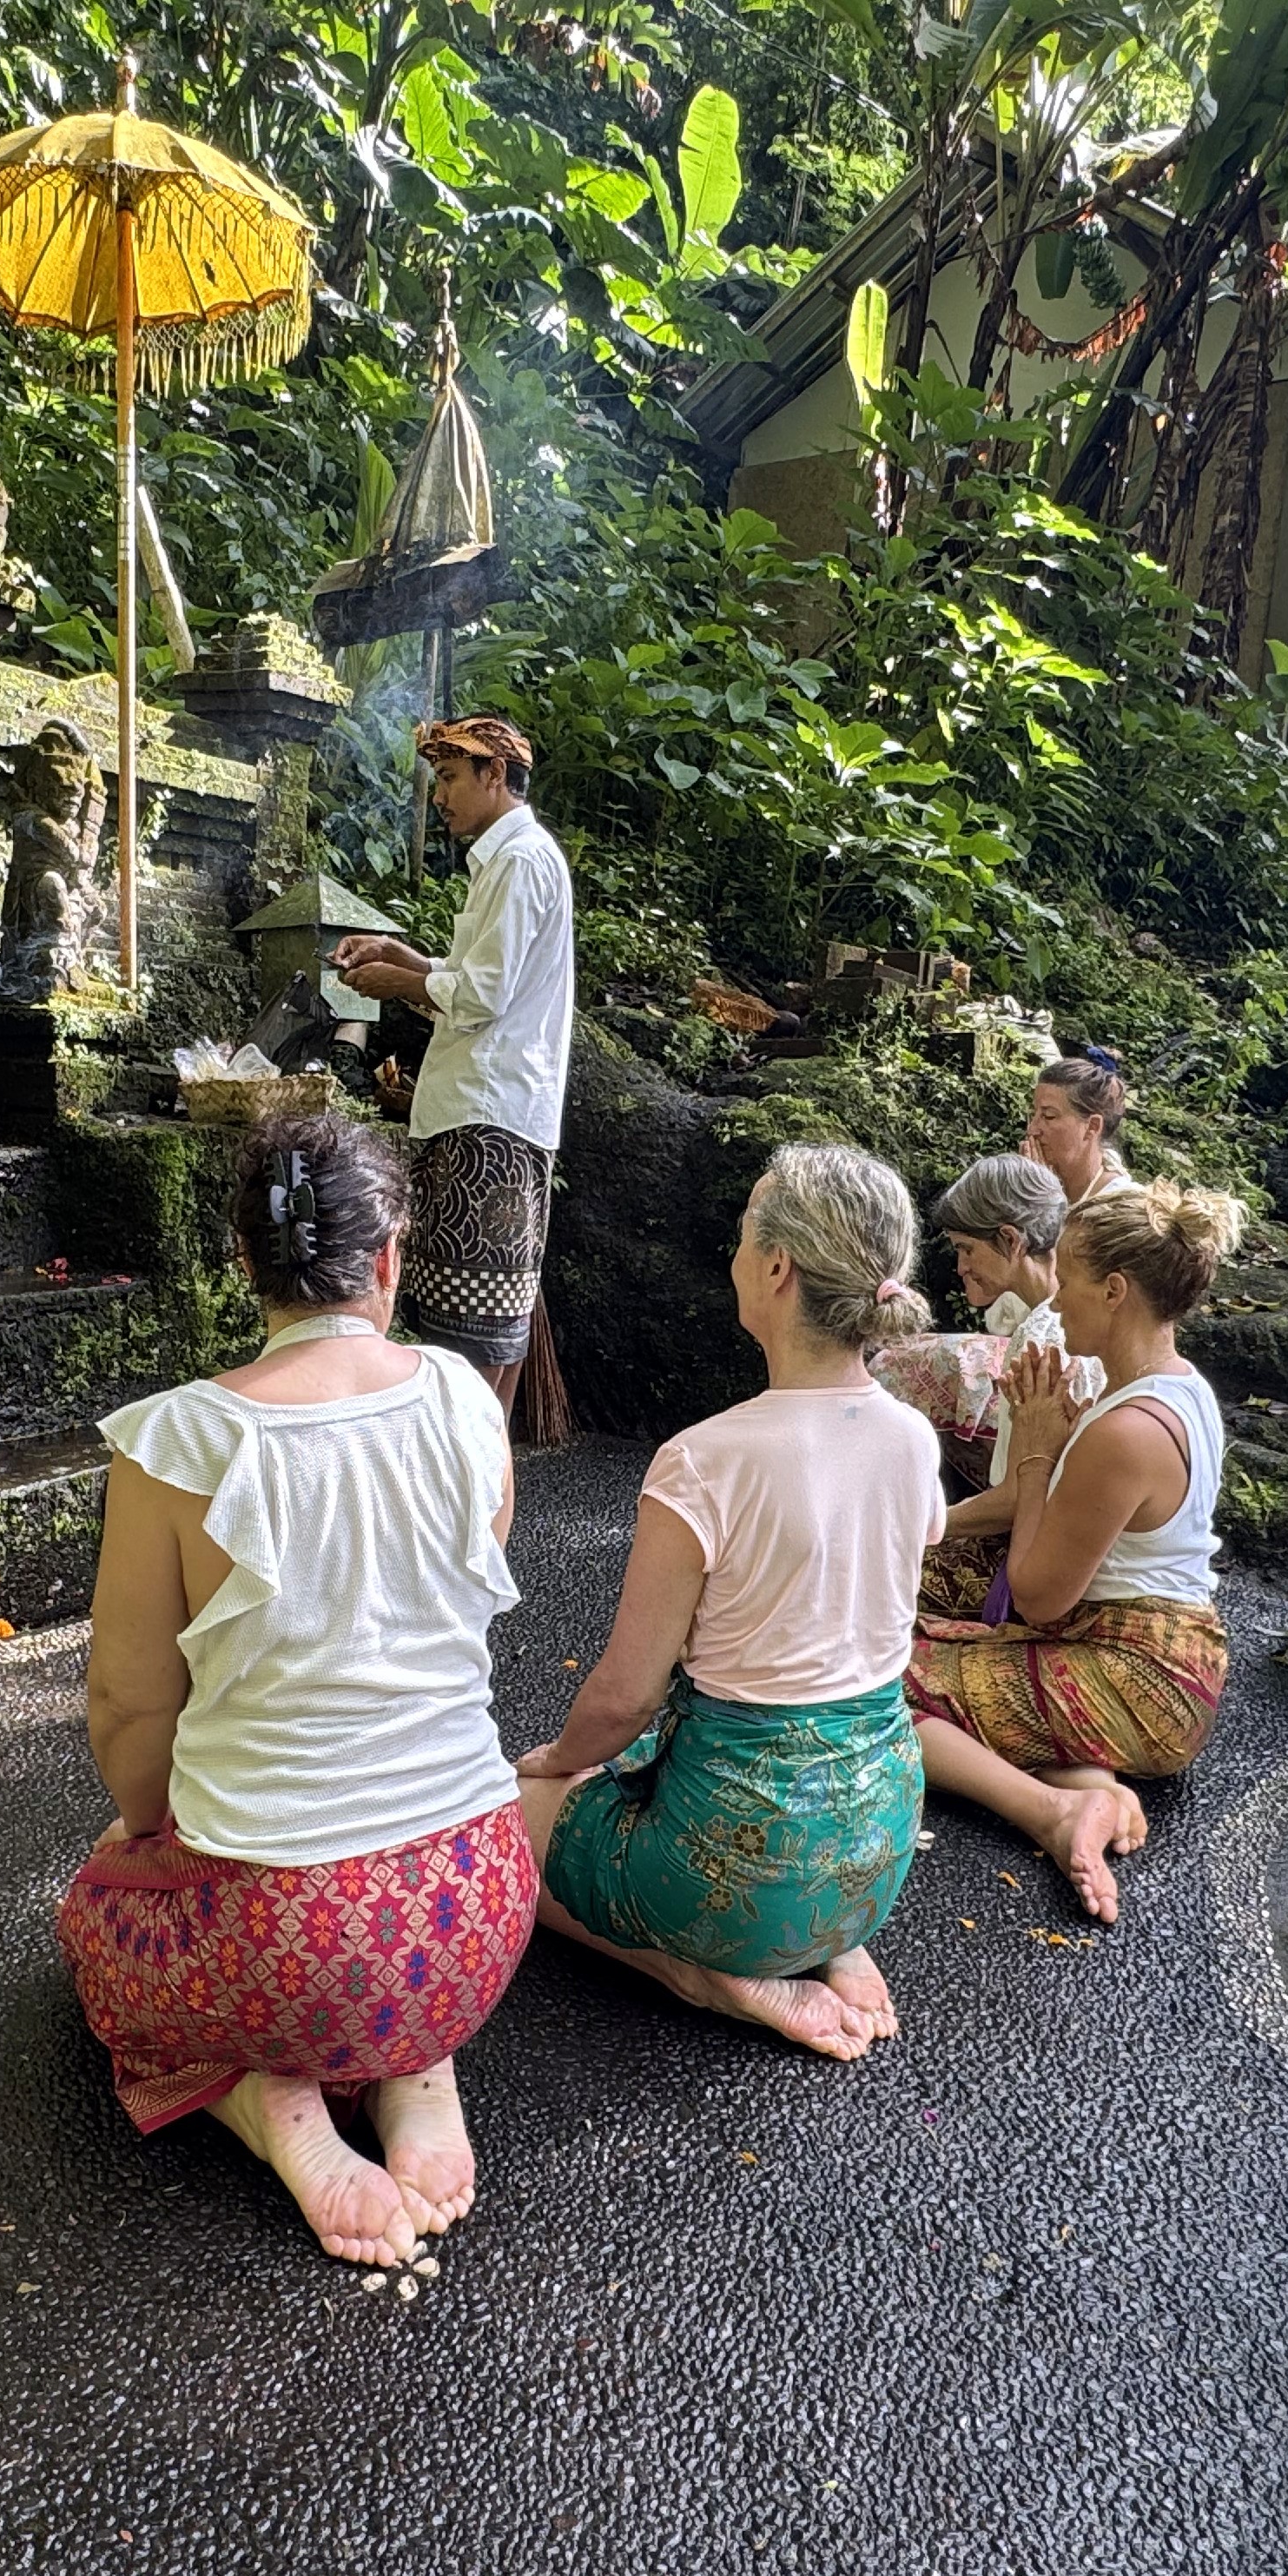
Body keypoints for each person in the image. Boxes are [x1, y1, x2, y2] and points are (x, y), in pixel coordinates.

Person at [56, 1116, 536, 2267]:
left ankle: (267, 2100)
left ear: (244, 1263)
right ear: (387, 1259)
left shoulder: (180, 1441)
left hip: (291, 1945)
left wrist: (148, 1834)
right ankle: (416, 2066)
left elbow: (129, 1710)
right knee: (379, 1915)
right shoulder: (469, 1397)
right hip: (479, 1902)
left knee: (93, 1917)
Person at [511, 1144, 945, 2060]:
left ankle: (695, 1969)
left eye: (745, 1234)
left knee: (494, 1817)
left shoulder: (707, 1459)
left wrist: (548, 1762)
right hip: (876, 1848)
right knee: (647, 1757)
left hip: (736, 1869)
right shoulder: (911, 1438)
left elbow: (628, 1694)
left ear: (778, 1268)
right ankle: (828, 1942)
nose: (736, 1253)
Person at [905, 1182, 1245, 1928]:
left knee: (867, 1682)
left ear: (1116, 1291)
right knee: (888, 1584)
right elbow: (1045, 1536)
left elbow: (1036, 1596)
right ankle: (1087, 1770)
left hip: (1140, 1677)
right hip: (1128, 1639)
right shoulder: (1170, 1386)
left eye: (1070, 1273)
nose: (1055, 1296)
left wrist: (1036, 1448)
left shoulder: (1126, 1432)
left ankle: (1053, 1809)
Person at [327, 717, 575, 1416]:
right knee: (469, 1326)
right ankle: (472, 1491)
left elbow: (486, 994)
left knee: (476, 1335)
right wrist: (409, 959)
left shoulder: (522, 862)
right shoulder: (508, 860)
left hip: (489, 1124)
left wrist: (401, 987)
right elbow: (483, 979)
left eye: (449, 778)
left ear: (495, 775)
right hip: (479, 1115)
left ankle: (473, 1492)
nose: (440, 796)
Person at [869, 1153, 1088, 1513]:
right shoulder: (1067, 1316)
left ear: (1011, 1240)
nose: (961, 1266)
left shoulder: (1041, 1337)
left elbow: (1019, 1498)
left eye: (966, 1249)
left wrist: (922, 1530)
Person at [1023, 1047, 1139, 1217]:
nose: (1032, 1129)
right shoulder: (1029, 1191)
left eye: (1049, 1116)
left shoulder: (1124, 1210)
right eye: (1034, 1114)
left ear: (1092, 1126)